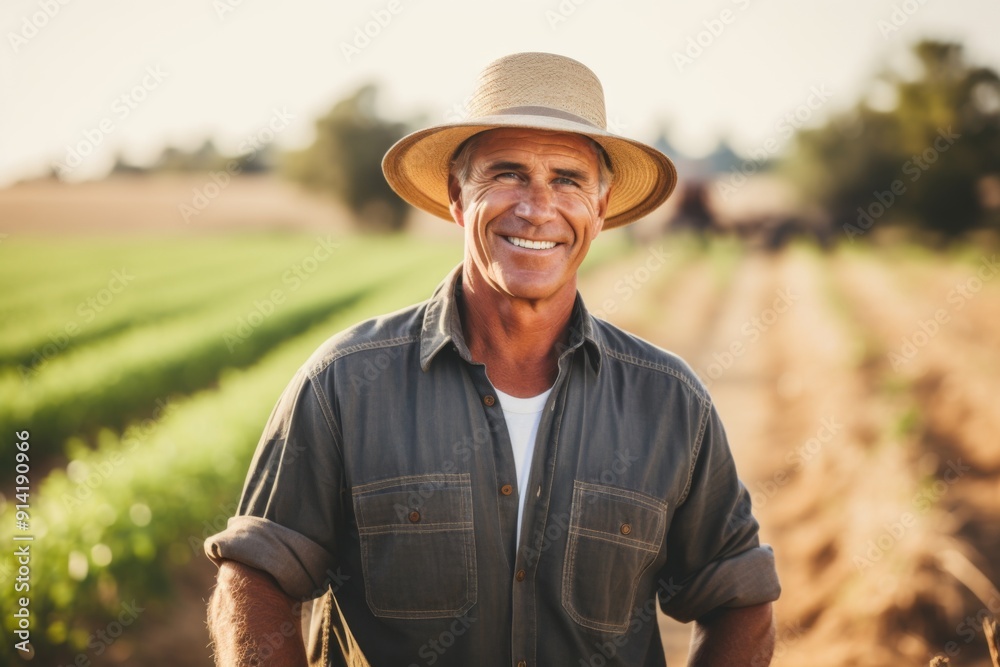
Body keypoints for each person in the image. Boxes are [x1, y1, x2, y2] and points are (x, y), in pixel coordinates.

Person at [205, 52, 780, 667]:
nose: (536, 208)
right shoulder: (344, 384)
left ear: (602, 207)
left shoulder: (669, 401)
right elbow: (255, 578)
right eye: (506, 174)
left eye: (567, 179)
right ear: (457, 195)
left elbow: (738, 598)